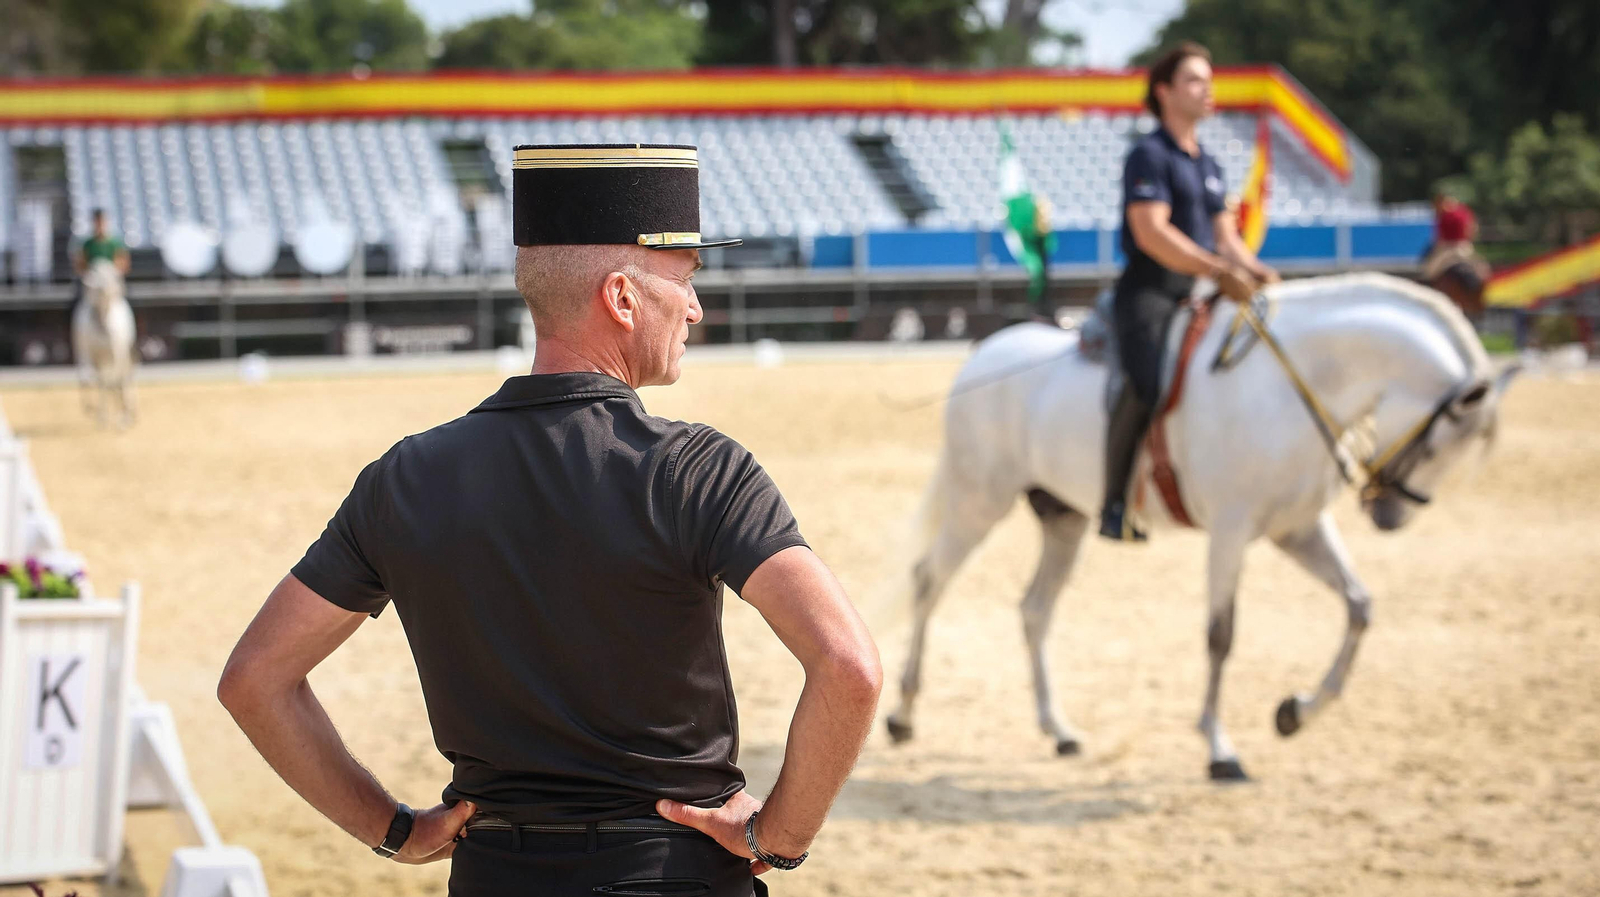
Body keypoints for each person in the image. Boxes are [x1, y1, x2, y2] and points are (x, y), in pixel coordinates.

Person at [218, 144, 883, 897]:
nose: (696, 306)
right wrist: (779, 837)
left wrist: (395, 830)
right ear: (623, 298)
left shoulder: (404, 478)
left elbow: (255, 680)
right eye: (685, 280)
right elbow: (849, 666)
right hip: (674, 875)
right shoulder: (698, 468)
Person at [1100, 42, 1279, 542]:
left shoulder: (1210, 163)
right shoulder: (1149, 155)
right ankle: (1115, 502)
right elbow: (1152, 234)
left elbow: (1228, 237)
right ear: (1165, 91)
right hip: (1150, 294)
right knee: (1145, 384)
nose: (1208, 89)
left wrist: (1260, 272)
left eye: (1208, 79)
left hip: (1200, 292)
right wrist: (1218, 269)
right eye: (1196, 80)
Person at [69, 208, 131, 328]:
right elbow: (80, 266)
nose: (100, 225)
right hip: (93, 285)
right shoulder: (88, 244)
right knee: (76, 302)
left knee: (126, 301)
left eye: (102, 222)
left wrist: (112, 271)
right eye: (97, 222)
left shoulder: (115, 243)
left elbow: (124, 264)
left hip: (110, 283)